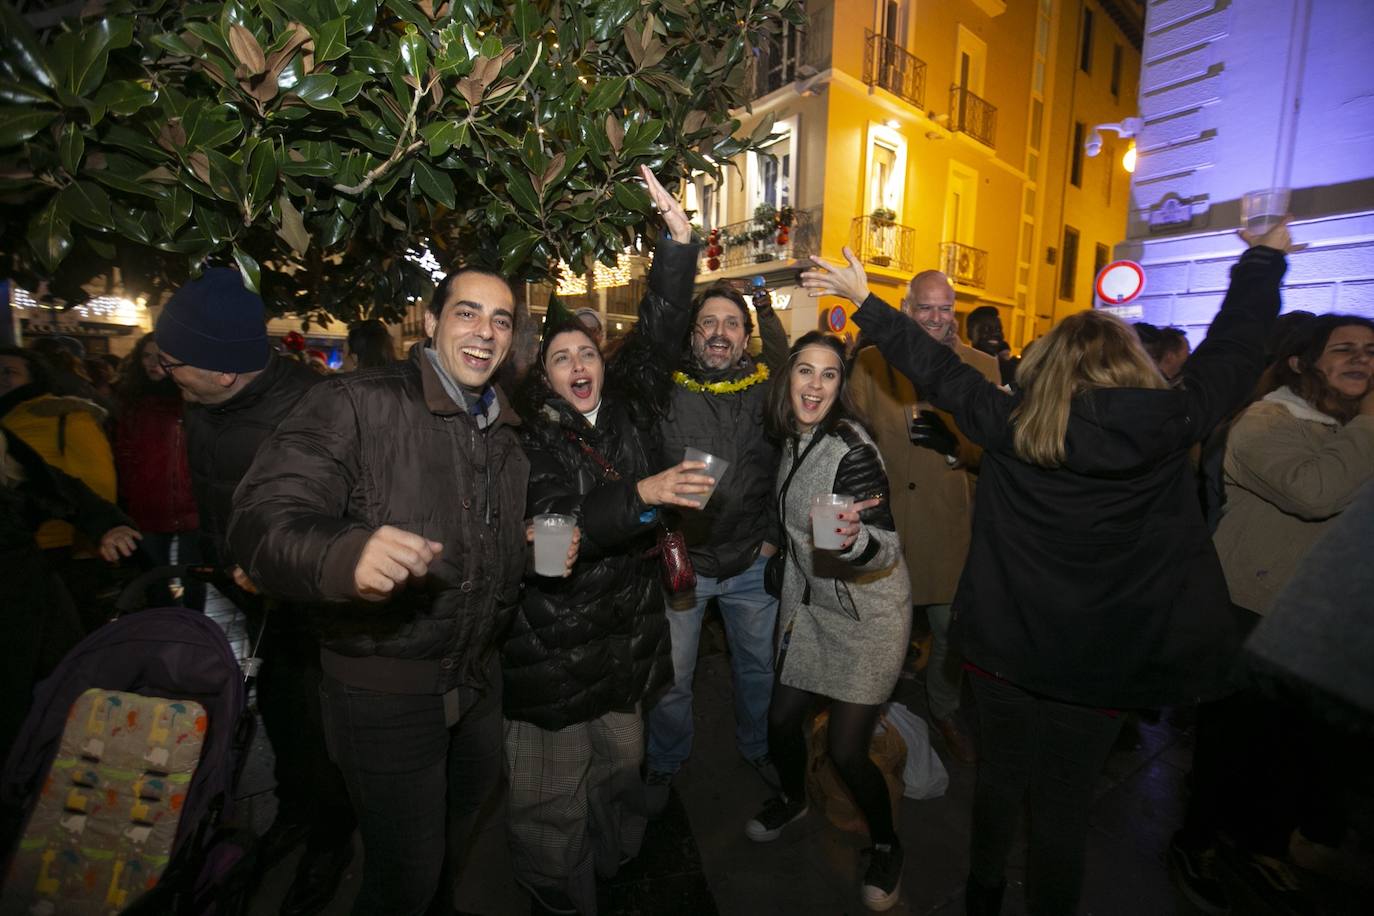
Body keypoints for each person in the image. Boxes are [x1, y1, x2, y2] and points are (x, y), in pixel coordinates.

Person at [801, 218, 1292, 916]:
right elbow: (1239, 349)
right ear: (1133, 366)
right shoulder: (1174, 422)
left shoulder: (1009, 423)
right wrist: (1261, 263)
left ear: (1050, 366)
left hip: (1004, 650)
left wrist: (868, 302)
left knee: (1000, 784)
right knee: (1063, 809)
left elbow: (934, 366)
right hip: (1102, 665)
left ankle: (984, 895)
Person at [228, 263, 577, 916]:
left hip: (476, 681)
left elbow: (476, 547)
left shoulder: (504, 430)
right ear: (431, 320)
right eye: (467, 312)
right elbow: (259, 520)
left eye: (501, 319)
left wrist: (522, 548)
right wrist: (344, 553)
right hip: (384, 689)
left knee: (450, 840)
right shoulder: (360, 402)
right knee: (403, 879)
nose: (486, 331)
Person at [503, 196, 708, 912]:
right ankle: (561, 895)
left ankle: (615, 856)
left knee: (622, 767)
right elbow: (558, 522)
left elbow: (658, 333)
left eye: (586, 352)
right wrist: (643, 491)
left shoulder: (632, 404)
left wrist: (677, 248)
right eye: (561, 358)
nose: (577, 364)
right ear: (546, 377)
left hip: (623, 631)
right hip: (552, 645)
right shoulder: (530, 440)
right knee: (547, 802)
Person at [153, 268, 355, 916]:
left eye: (173, 360)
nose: (161, 370)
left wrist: (277, 567)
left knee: (320, 730)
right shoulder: (203, 400)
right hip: (246, 597)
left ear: (224, 371)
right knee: (283, 723)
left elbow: (348, 520)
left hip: (308, 612)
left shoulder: (314, 410)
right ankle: (299, 814)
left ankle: (333, 840)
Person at [1172, 314, 1374, 913]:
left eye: (1370, 350)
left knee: (1297, 750)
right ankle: (1196, 843)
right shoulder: (1265, 421)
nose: (1361, 359)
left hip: (1326, 616)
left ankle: (1264, 846)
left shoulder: (1353, 427)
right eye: (1344, 350)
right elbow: (1315, 493)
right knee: (1233, 743)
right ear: (1301, 363)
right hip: (1253, 611)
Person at [636, 167, 790, 811]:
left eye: (732, 323)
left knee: (759, 672)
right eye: (709, 324)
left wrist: (773, 541)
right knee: (673, 681)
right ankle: (668, 761)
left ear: (745, 336)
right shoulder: (662, 384)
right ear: (692, 334)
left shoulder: (767, 389)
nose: (720, 332)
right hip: (686, 570)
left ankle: (758, 749)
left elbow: (793, 466)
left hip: (751, 566)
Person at [744, 331, 910, 911]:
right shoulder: (794, 435)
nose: (814, 386)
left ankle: (888, 845)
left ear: (842, 385)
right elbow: (789, 510)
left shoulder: (852, 449)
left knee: (846, 750)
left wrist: (857, 541)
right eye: (805, 372)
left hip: (868, 618)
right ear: (787, 377)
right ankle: (795, 798)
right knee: (781, 718)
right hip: (813, 607)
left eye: (829, 374)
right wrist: (774, 548)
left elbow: (887, 548)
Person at [849, 271, 999, 767]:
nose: (935, 318)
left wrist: (957, 448)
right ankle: (870, 713)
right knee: (881, 631)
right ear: (907, 308)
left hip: (946, 529)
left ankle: (943, 708)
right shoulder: (870, 364)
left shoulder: (981, 367)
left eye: (944, 308)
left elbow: (996, 450)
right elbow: (852, 439)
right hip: (886, 527)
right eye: (925, 308)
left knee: (950, 634)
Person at [0, 426, 139, 752]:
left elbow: (53, 485)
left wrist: (107, 523)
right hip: (24, 595)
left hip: (28, 593)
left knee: (63, 697)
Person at [1, 345, 120, 632]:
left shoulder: (65, 415)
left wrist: (94, 538)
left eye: (10, 372)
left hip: (60, 546)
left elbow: (97, 481)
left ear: (34, 377)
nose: (2, 379)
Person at [111, 332, 202, 609]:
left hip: (192, 505)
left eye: (161, 357)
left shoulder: (195, 401)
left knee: (195, 577)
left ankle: (193, 633)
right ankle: (161, 631)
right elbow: (123, 457)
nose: (153, 363)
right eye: (147, 356)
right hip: (146, 507)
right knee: (153, 580)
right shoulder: (128, 404)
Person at [966, 305, 1018, 387]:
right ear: (970, 333)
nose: (995, 334)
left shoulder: (1010, 371)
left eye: (998, 330)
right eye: (987, 329)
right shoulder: (959, 366)